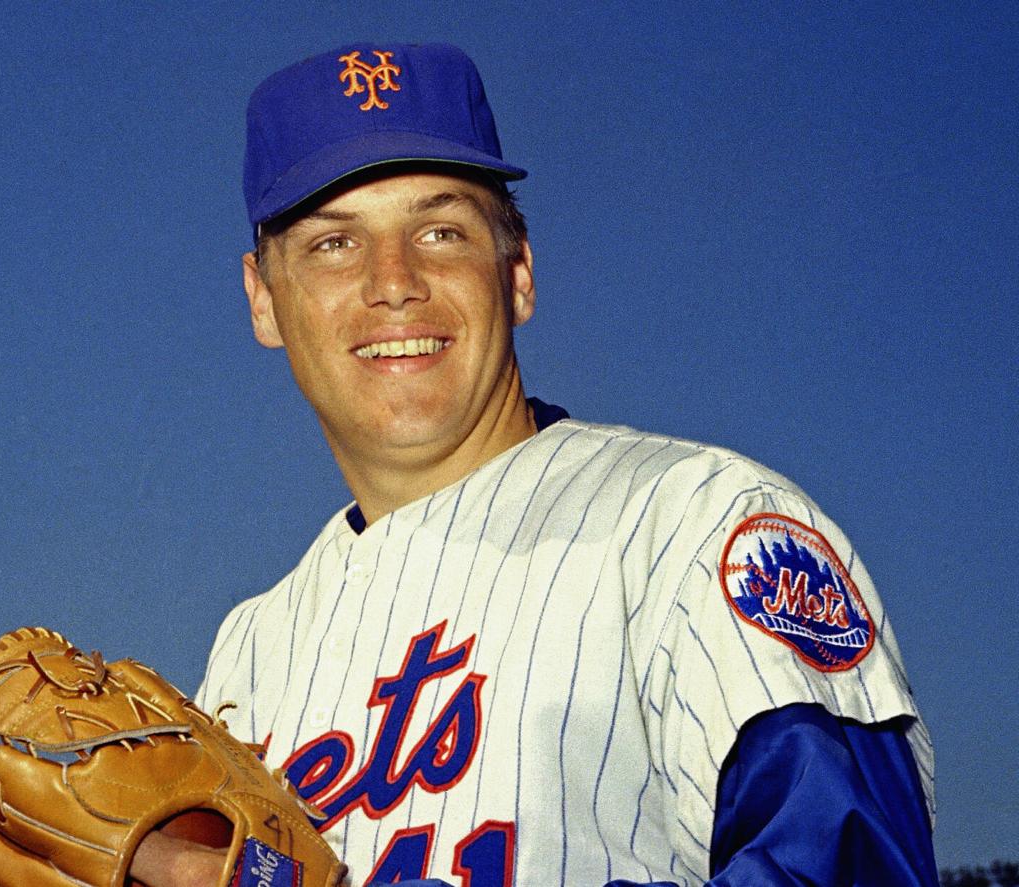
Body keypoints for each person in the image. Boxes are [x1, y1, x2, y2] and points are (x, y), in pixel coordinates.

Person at [143, 43, 938, 886]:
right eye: (334, 244)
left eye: (439, 230)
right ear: (263, 299)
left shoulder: (703, 524)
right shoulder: (250, 653)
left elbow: (848, 866)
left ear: (517, 271)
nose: (393, 281)